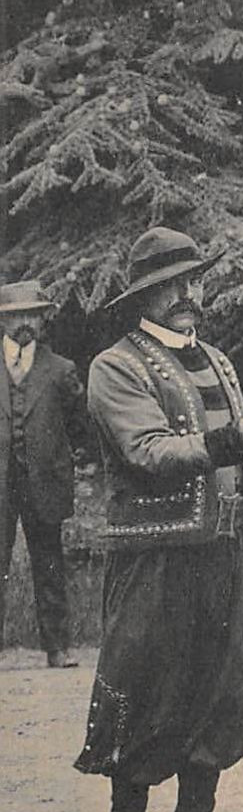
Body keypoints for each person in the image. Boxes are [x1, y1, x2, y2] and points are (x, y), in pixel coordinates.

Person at [74, 226, 243, 812]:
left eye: (195, 281)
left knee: (219, 697)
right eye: (173, 285)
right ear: (144, 295)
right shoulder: (115, 367)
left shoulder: (222, 364)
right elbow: (149, 451)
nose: (189, 295)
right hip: (153, 560)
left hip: (224, 559)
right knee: (143, 702)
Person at [1, 280, 86, 668]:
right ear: (4, 320)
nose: (24, 322)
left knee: (49, 560)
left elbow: (78, 425)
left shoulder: (60, 369)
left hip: (44, 479)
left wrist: (60, 459)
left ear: (43, 318)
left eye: (31, 314)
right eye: (16, 315)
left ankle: (58, 646)